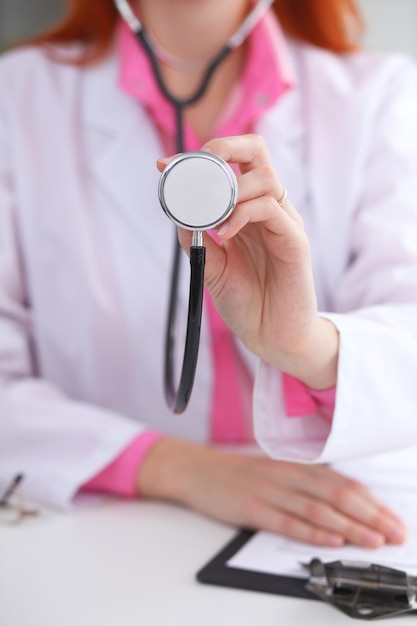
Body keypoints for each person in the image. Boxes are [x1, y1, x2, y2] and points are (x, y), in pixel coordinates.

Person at [0, 0, 416, 549]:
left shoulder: (382, 95)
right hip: (110, 540)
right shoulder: (17, 97)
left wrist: (307, 345)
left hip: (330, 528)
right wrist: (179, 469)